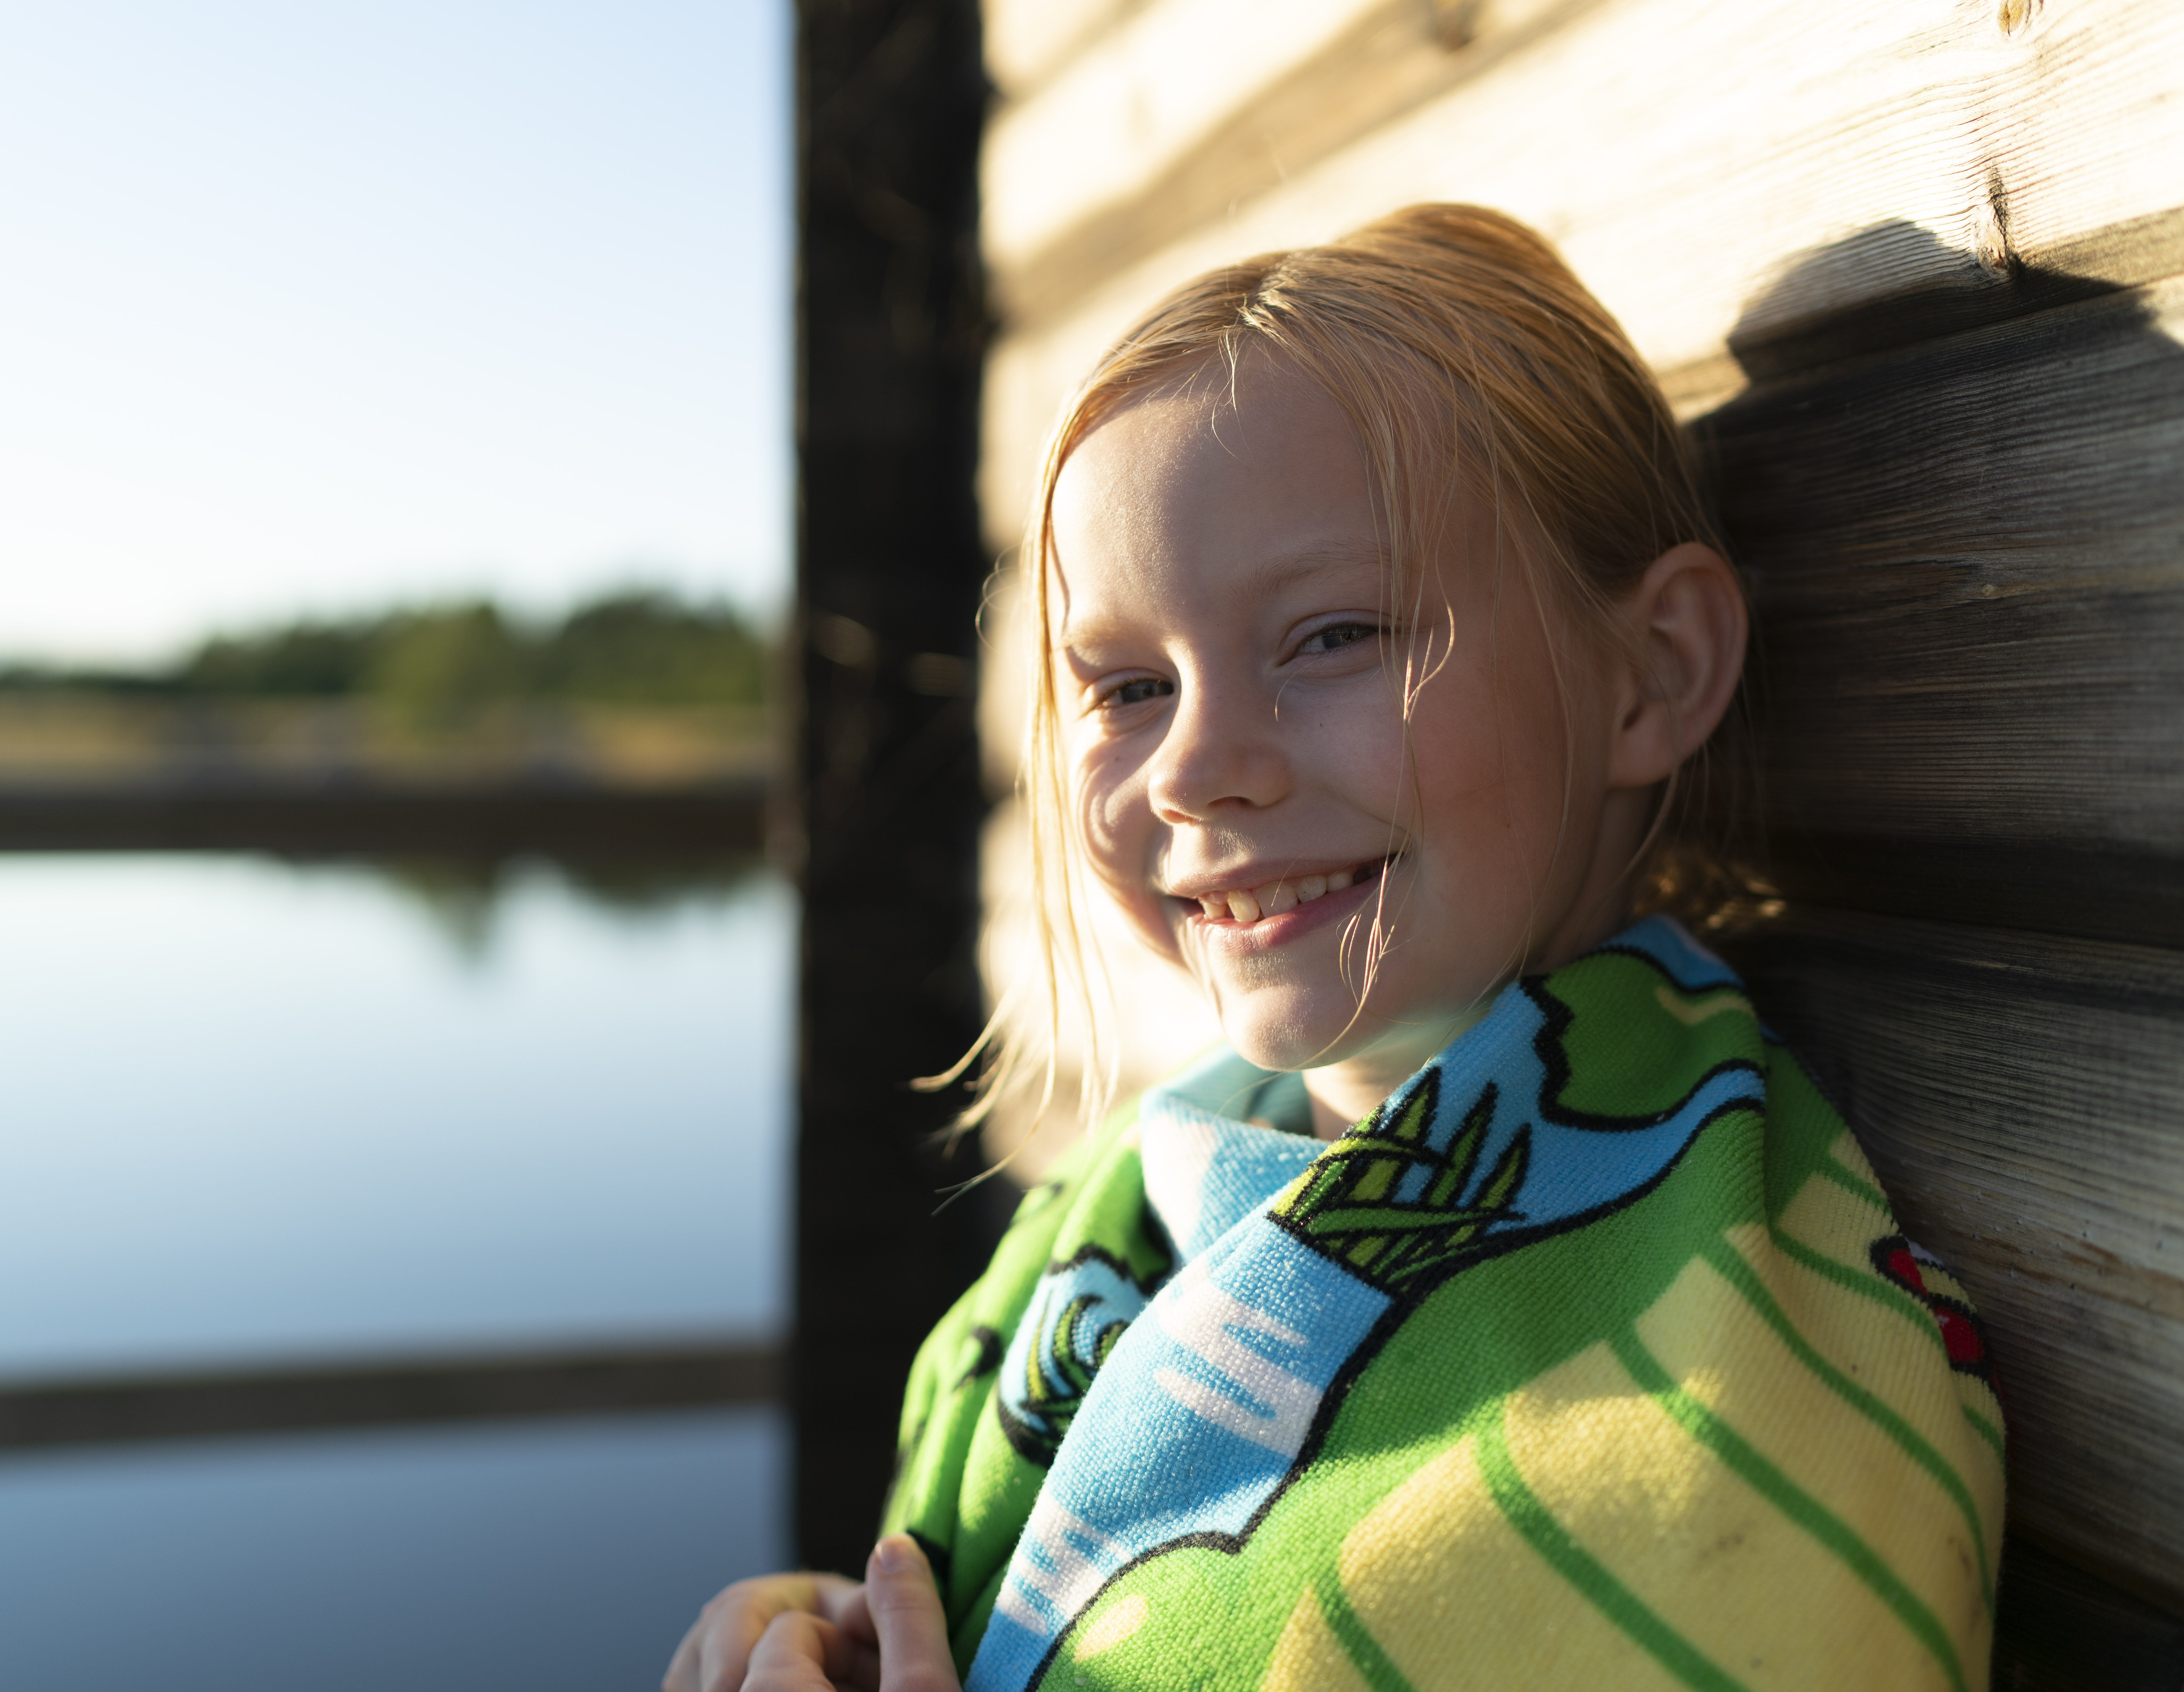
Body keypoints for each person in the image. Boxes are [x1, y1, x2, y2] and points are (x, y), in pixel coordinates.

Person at [669, 203, 2005, 1692]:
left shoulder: (1726, 1406)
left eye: (1331, 637)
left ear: (1652, 671)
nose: (1191, 770)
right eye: (1122, 686)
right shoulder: (1128, 1213)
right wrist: (839, 1633)